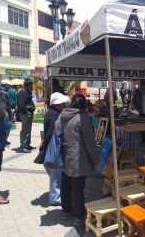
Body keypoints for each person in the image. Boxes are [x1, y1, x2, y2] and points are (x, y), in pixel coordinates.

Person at [58, 94, 100, 226]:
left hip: (65, 156)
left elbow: (56, 129)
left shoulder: (62, 115)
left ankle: (66, 211)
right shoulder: (82, 117)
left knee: (65, 184)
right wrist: (95, 159)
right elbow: (89, 142)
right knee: (77, 189)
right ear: (83, 105)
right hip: (78, 159)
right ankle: (79, 216)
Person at [41, 92, 69, 205]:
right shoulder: (54, 115)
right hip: (53, 148)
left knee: (55, 173)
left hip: (50, 147)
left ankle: (56, 195)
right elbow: (51, 131)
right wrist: (45, 142)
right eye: (62, 103)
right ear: (57, 104)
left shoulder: (51, 113)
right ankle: (56, 198)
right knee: (56, 174)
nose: (65, 105)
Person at [17, 79, 35, 153]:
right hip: (25, 114)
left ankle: (27, 144)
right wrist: (26, 112)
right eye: (32, 85)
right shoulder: (24, 92)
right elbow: (21, 104)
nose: (32, 86)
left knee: (28, 129)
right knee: (25, 130)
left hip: (27, 113)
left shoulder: (26, 91)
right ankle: (23, 146)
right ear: (30, 85)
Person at [1, 79, 13, 146]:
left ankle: (4, 140)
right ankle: (3, 141)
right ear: (6, 85)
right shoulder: (4, 92)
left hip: (2, 111)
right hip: (4, 112)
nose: (10, 86)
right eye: (9, 85)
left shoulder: (4, 91)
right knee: (6, 127)